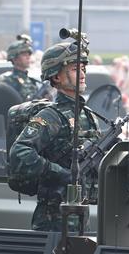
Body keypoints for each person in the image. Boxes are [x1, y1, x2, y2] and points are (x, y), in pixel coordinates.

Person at [8, 34, 100, 231]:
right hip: (53, 218)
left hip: (80, 212)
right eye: (75, 69)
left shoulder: (88, 115)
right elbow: (20, 153)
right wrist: (62, 174)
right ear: (56, 76)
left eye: (83, 68)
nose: (83, 74)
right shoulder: (51, 116)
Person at [0, 34, 41, 101]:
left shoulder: (32, 81)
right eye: (24, 55)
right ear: (14, 59)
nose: (28, 57)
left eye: (29, 54)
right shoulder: (5, 80)